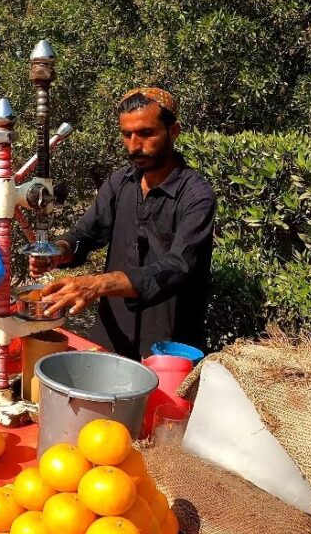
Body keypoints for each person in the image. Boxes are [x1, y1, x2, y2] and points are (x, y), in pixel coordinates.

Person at [30, 87, 216, 360]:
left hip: (168, 345)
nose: (134, 146)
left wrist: (98, 284)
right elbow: (87, 233)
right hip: (112, 333)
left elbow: (179, 266)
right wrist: (59, 250)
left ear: (173, 131)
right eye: (126, 135)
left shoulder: (196, 195)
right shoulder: (121, 182)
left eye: (146, 133)